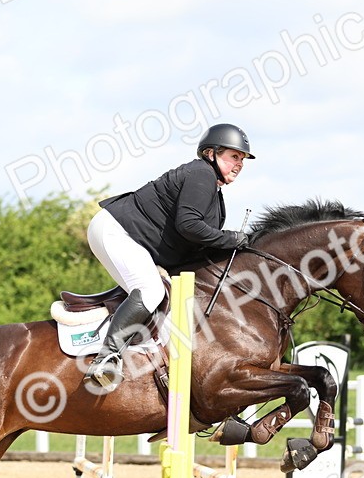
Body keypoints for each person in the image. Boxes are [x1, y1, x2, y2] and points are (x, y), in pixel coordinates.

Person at [83, 123, 255, 391]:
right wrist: (232, 239)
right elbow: (189, 225)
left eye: (242, 159)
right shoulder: (201, 174)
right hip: (116, 231)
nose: (239, 163)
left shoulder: (215, 193)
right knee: (150, 291)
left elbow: (194, 243)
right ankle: (105, 359)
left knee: (176, 307)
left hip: (133, 240)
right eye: (234, 156)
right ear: (211, 153)